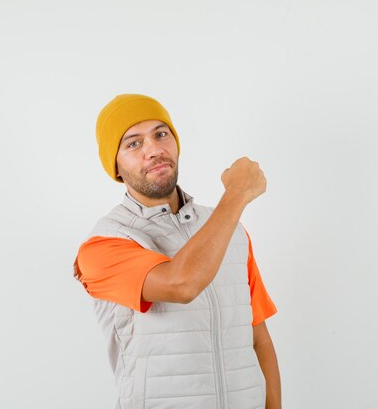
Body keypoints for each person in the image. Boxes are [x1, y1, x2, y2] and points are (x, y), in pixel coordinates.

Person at [74, 94, 281, 409]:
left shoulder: (230, 230)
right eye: (133, 144)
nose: (154, 150)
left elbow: (259, 338)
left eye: (161, 134)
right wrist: (237, 193)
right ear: (114, 165)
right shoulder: (104, 244)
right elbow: (182, 283)